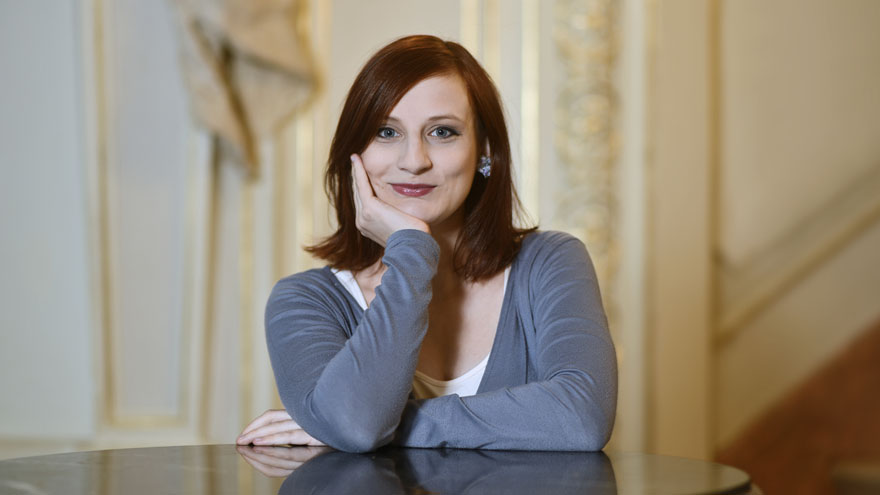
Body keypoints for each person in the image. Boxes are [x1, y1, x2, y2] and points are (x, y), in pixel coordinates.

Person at [236, 35, 617, 453]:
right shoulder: (305, 300)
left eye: (442, 132)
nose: (414, 160)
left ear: (484, 150)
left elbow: (582, 419)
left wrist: (378, 427)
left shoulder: (550, 262)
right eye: (386, 132)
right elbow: (355, 425)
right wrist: (411, 250)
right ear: (354, 154)